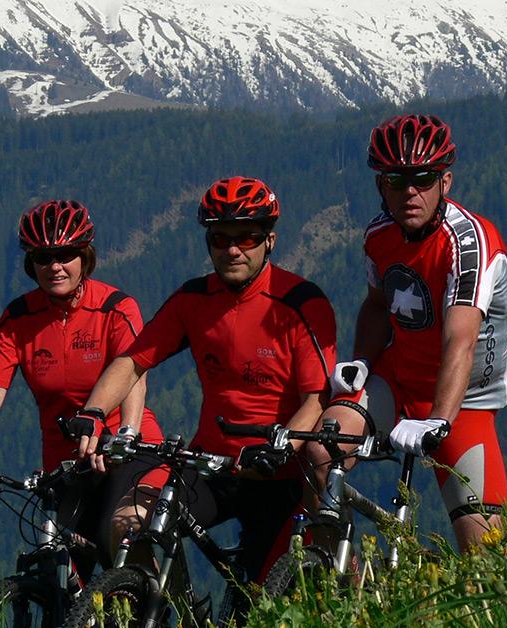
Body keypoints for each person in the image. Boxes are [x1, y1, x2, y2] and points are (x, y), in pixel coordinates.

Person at [68, 177, 337, 583]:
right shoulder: (193, 300)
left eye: (246, 237)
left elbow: (316, 397)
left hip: (277, 474)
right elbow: (133, 361)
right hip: (213, 465)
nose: (232, 250)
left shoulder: (300, 302)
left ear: (270, 240)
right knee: (129, 523)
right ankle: (172, 609)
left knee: (265, 599)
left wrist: (283, 448)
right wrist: (93, 411)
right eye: (219, 238)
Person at [308, 114, 507, 550]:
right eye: (396, 181)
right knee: (321, 449)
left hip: (466, 402)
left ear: (446, 181)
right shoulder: (379, 235)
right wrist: (362, 360)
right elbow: (378, 304)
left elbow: (460, 339)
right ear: (381, 185)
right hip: (398, 383)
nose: (410, 192)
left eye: (423, 179)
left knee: (488, 559)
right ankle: (343, 579)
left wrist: (438, 420)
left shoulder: (470, 243)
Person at [0, 200, 164, 563]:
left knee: (122, 538)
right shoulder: (19, 318)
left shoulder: (115, 308)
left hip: (126, 449)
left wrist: (125, 436)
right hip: (66, 461)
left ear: (85, 256)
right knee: (59, 561)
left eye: (66, 255)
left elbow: (134, 377)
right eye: (44, 258)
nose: (55, 267)